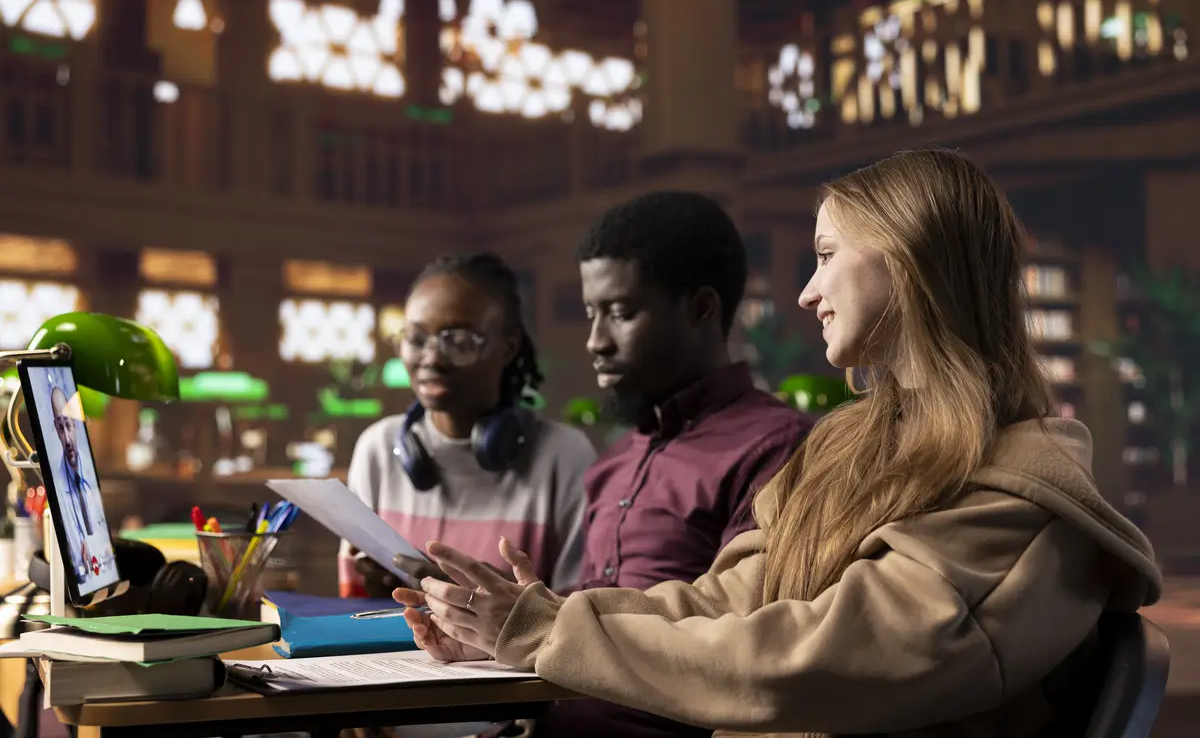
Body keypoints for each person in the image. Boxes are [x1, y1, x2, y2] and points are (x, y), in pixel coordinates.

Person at [396, 150, 1161, 738]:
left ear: (909, 259)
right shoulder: (847, 447)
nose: (805, 292)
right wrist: (522, 623)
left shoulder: (1025, 488)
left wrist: (547, 633)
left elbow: (822, 661)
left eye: (826, 256)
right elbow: (724, 599)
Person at [490, 192, 817, 738]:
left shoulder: (779, 449)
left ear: (701, 308)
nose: (596, 341)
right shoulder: (613, 464)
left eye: (620, 313)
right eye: (591, 313)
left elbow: (746, 639)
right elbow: (574, 636)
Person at [339, 252, 595, 601]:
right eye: (416, 339)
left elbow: (581, 623)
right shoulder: (378, 449)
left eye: (458, 341)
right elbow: (350, 606)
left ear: (507, 347)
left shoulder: (564, 458)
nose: (431, 359)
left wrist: (463, 597)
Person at [50, 386, 105, 581]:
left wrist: (95, 544)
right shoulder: (56, 488)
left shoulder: (92, 472)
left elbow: (105, 542)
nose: (66, 438)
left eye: (68, 426)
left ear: (75, 425)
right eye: (60, 427)